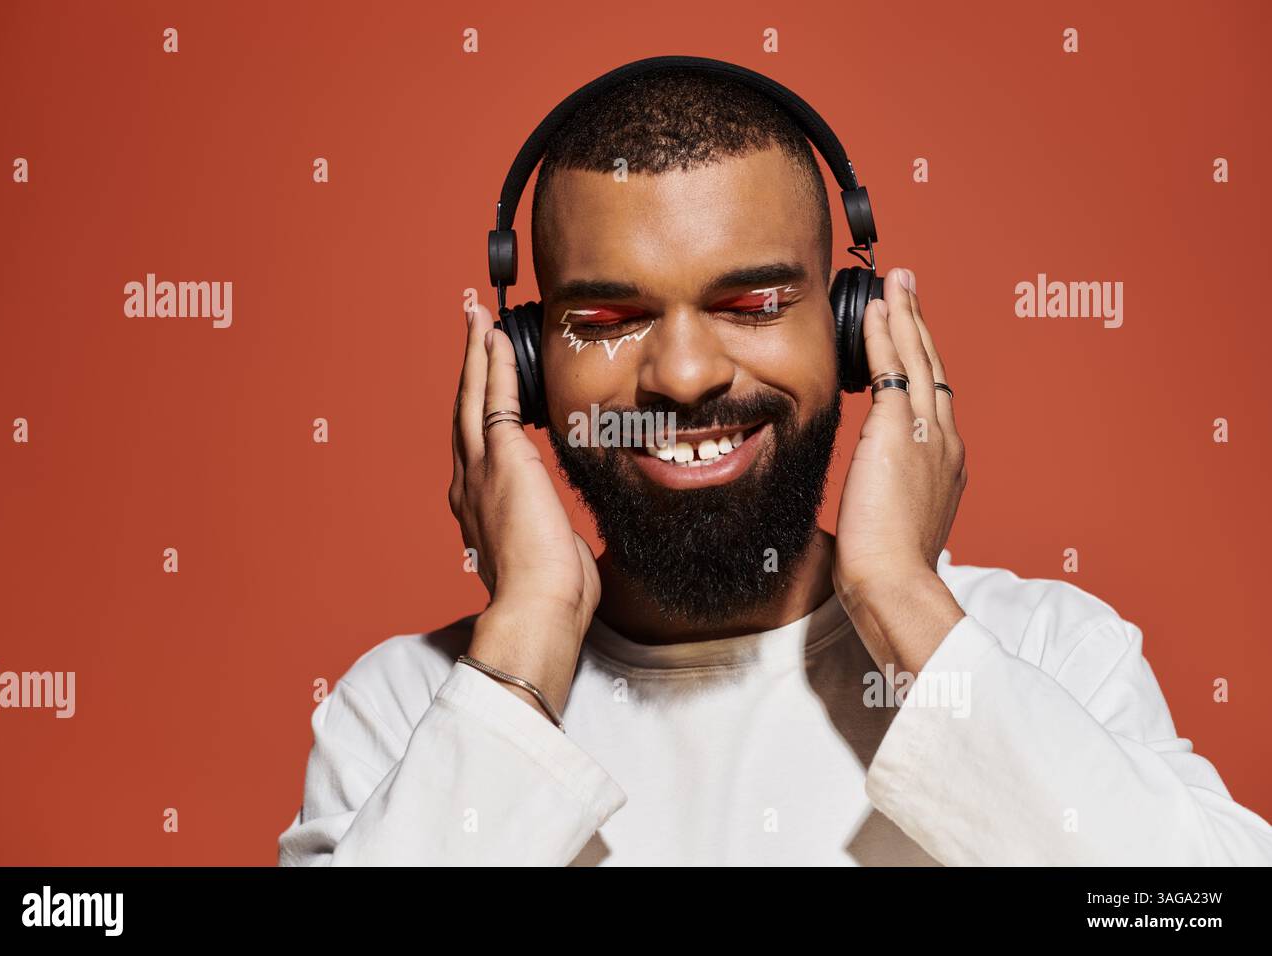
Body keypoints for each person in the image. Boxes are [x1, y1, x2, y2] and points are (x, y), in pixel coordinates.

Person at [278, 64, 1272, 865]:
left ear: (857, 333)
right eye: (608, 321)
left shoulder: (1045, 652)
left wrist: (899, 598)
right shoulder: (414, 704)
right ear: (526, 369)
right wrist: (527, 639)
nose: (684, 374)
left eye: (749, 306)